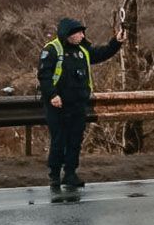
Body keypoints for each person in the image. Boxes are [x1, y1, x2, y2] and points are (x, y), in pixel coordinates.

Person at [37, 17, 126, 188]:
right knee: (59, 140)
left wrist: (116, 41)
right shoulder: (52, 50)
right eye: (79, 33)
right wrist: (52, 95)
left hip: (78, 104)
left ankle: (70, 173)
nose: (82, 36)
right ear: (68, 34)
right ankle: (54, 174)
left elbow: (101, 53)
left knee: (75, 140)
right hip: (58, 105)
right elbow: (44, 76)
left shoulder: (82, 50)